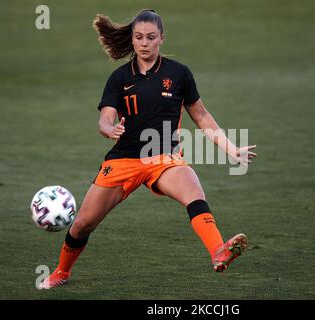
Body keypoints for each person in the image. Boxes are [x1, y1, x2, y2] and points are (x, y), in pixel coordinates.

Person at [40, 9, 257, 289]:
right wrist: (109, 129)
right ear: (132, 39)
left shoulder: (179, 73)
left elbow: (201, 115)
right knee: (82, 224)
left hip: (163, 157)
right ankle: (61, 272)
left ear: (162, 39)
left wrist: (231, 149)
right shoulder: (119, 79)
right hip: (123, 161)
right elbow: (105, 117)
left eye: (151, 37)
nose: (144, 43)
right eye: (139, 37)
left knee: (194, 191)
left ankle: (218, 251)